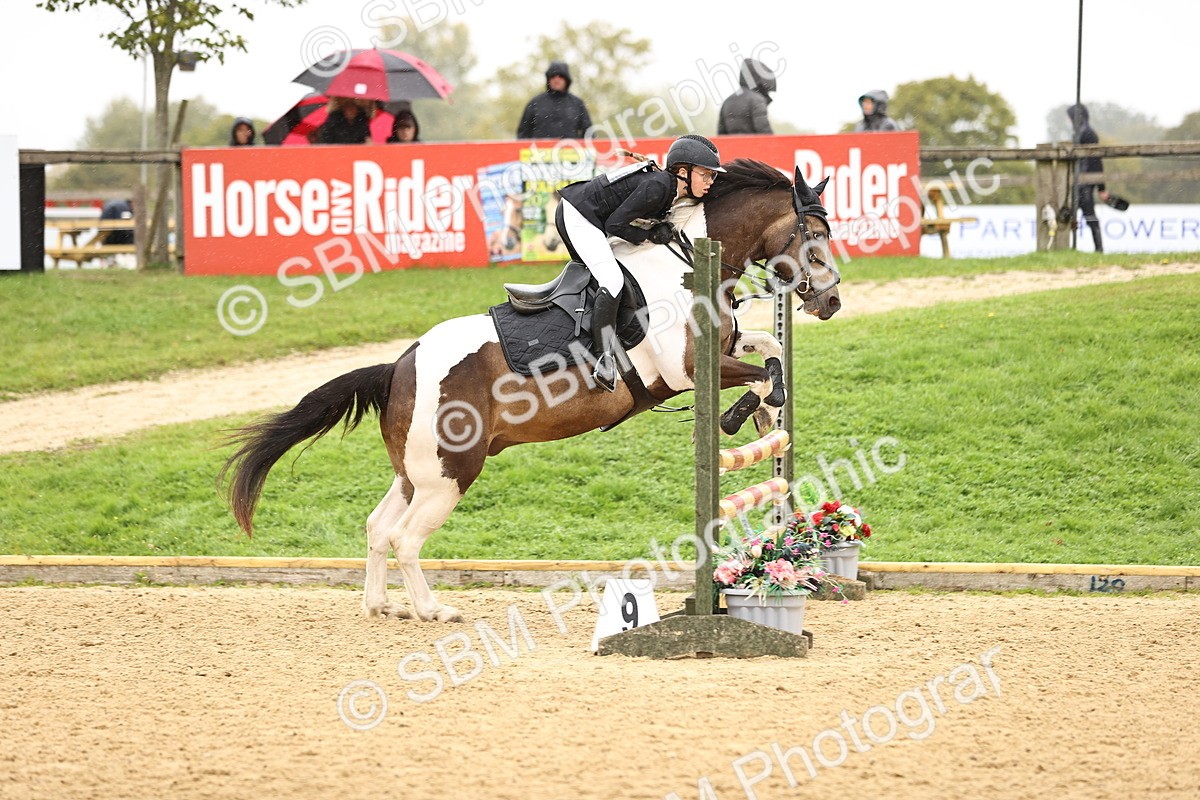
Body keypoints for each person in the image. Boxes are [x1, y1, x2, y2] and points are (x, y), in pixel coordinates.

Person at [555, 134, 725, 391]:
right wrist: (648, 235)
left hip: (588, 216)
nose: (710, 181)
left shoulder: (668, 186)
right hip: (578, 216)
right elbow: (615, 224)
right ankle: (603, 359)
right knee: (611, 280)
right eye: (706, 175)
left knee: (612, 276)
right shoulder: (658, 188)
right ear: (683, 172)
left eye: (713, 176)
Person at [1067, 103, 1110, 252]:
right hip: (1080, 180)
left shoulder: (1087, 134)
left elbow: (1096, 160)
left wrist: (1101, 187)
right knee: (1078, 215)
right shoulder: (1081, 133)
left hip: (1084, 181)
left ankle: (1099, 249)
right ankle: (1077, 248)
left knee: (1089, 216)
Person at [516, 61, 593, 140]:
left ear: (566, 79)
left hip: (569, 151)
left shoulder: (577, 104)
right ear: (548, 79)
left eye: (560, 76)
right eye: (553, 76)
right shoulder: (535, 103)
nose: (557, 79)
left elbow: (589, 134)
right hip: (539, 151)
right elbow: (523, 134)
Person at [717, 58, 776, 135]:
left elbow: (721, 134)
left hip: (732, 146)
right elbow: (764, 132)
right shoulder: (757, 100)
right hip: (753, 146)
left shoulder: (727, 101)